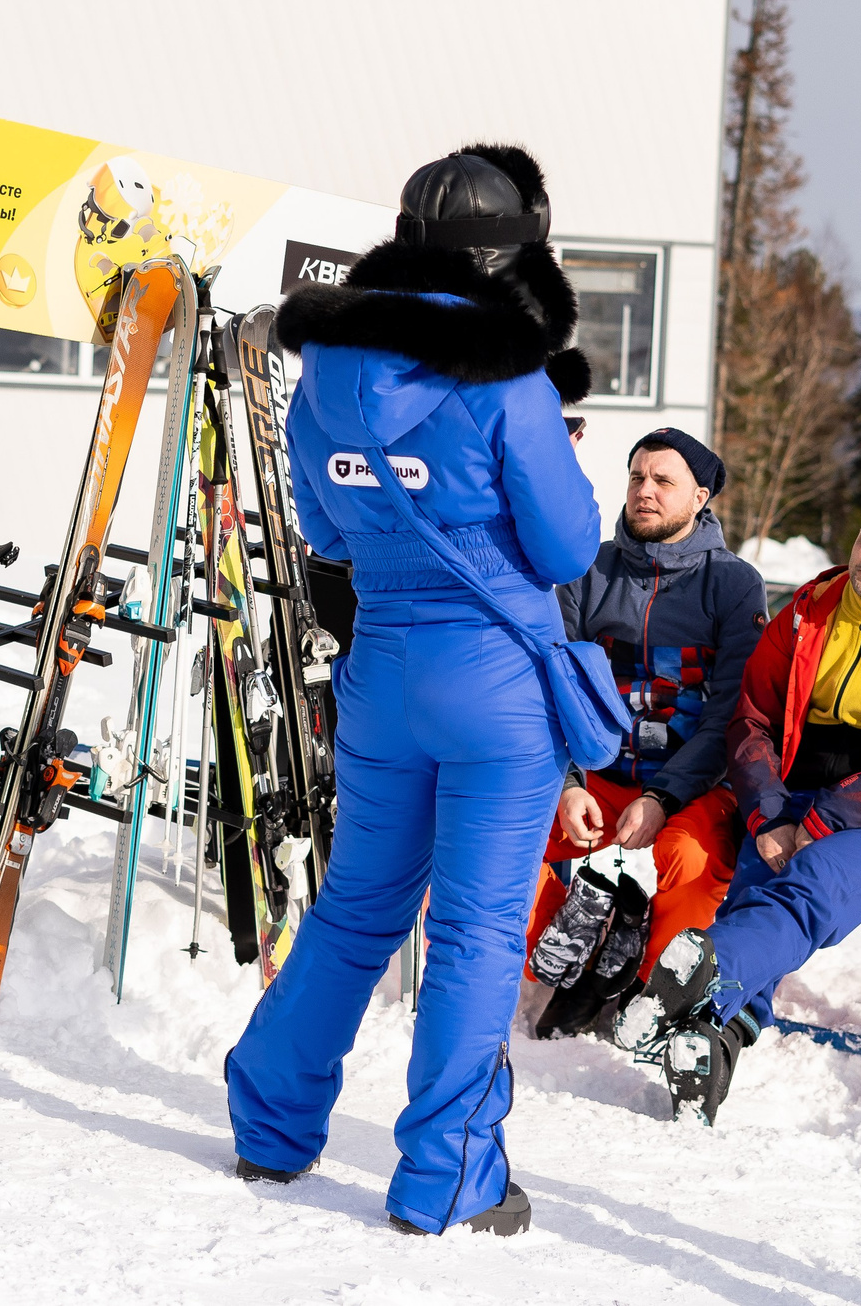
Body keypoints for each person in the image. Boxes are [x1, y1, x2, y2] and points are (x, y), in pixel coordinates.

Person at [224, 145, 600, 1237]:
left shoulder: (325, 375)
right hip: (495, 691)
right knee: (479, 933)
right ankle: (447, 1178)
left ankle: (271, 1126)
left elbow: (329, 532)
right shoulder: (510, 382)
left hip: (381, 672)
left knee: (354, 910)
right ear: (512, 253)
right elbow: (569, 546)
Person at [609, 468, 861, 1125]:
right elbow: (750, 716)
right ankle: (717, 1040)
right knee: (762, 880)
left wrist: (819, 822)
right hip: (790, 789)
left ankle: (708, 971)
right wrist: (770, 812)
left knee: (809, 886)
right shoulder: (810, 609)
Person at [524, 428, 767, 1039]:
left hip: (687, 787)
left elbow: (730, 715)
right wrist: (569, 782)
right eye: (637, 477)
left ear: (701, 496)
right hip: (596, 779)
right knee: (499, 835)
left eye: (664, 481)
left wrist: (665, 798)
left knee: (689, 859)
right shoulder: (587, 570)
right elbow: (554, 686)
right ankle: (573, 954)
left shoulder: (733, 584)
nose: (645, 491)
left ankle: (642, 981)